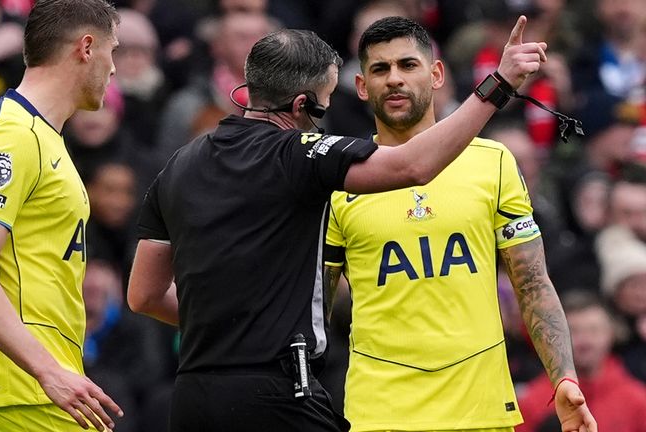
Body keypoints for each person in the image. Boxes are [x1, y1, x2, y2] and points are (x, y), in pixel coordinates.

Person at [128, 15, 549, 432]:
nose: (324, 116)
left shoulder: (177, 167)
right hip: (279, 395)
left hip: (193, 396)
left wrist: (225, 325)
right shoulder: (297, 153)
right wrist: (499, 86)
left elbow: (144, 295)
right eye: (324, 103)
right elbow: (415, 166)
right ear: (300, 105)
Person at [324, 16, 596, 432]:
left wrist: (563, 377)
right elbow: (313, 308)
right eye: (380, 69)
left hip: (481, 408)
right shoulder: (341, 180)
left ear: (436, 75)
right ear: (362, 86)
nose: (394, 79)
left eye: (407, 65)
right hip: (380, 412)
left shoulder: (493, 162)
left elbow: (534, 284)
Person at [0, 1, 123, 431]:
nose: (114, 68)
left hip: (22, 386)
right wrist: (47, 370)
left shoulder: (39, 135)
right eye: (112, 51)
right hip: (23, 389)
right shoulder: (13, 135)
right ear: (86, 47)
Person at [517, 290, 646, 432]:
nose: (585, 341)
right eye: (573, 331)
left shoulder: (638, 401)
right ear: (555, 339)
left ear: (612, 333)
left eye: (594, 330)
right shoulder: (532, 401)